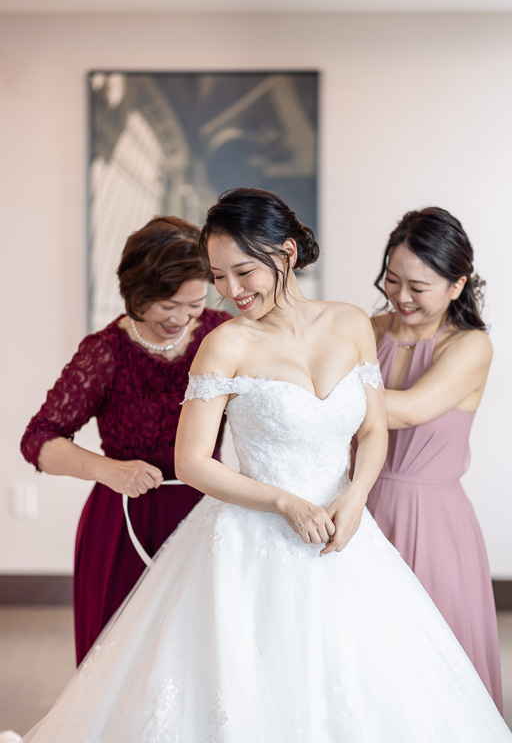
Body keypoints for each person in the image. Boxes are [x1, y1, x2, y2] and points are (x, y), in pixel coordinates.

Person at [20, 190, 511, 742]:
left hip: (345, 536)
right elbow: (193, 462)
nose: (230, 291)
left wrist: (354, 499)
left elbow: (373, 429)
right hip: (250, 538)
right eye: (218, 276)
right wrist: (282, 501)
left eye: (243, 271)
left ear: (287, 252)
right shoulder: (223, 344)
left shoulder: (352, 324)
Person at [20, 216, 231, 665]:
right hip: (123, 521)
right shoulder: (104, 352)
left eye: (193, 304)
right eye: (167, 305)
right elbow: (38, 439)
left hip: (206, 520)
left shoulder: (221, 334)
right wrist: (108, 470)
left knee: (201, 660)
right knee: (119, 666)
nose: (180, 319)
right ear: (137, 292)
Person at [365, 206, 503, 711]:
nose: (401, 296)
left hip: (432, 521)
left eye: (418, 287)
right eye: (392, 279)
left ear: (456, 285)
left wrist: (319, 393)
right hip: (359, 504)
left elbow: (409, 409)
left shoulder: (470, 346)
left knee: (434, 667)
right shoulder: (365, 328)